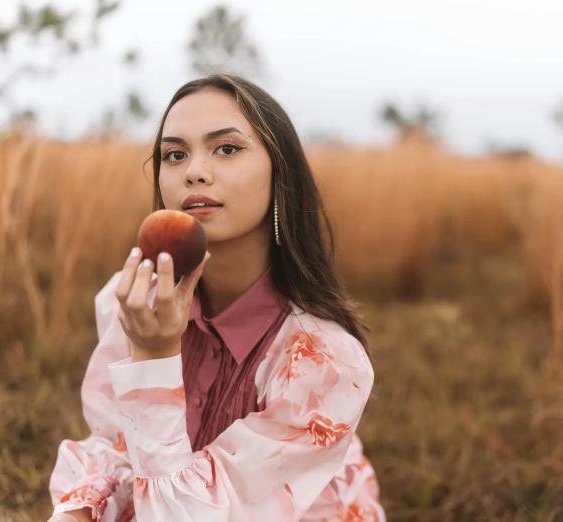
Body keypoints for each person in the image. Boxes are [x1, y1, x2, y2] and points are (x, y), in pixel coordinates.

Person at [46, 74, 385, 522]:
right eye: (175, 154)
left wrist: (154, 358)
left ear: (280, 173)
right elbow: (115, 444)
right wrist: (77, 513)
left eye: (226, 148)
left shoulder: (323, 361)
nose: (194, 171)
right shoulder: (131, 303)